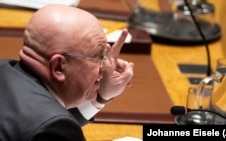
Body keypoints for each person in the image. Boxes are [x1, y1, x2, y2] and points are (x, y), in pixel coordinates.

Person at [0, 4, 134, 141]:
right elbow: (49, 126)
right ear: (59, 67)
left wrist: (101, 96)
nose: (106, 67)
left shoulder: (3, 67)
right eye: (98, 57)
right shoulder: (53, 126)